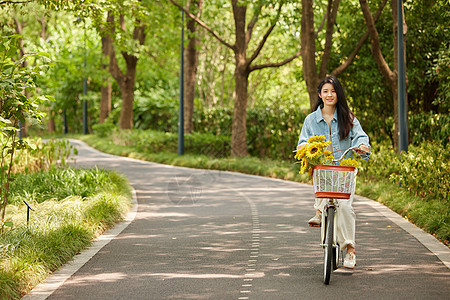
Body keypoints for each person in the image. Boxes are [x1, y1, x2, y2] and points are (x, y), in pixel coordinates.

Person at [297, 75, 370, 269]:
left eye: (333, 91)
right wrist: (304, 149)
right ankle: (320, 210)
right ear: (320, 95)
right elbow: (303, 141)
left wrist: (362, 146)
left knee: (345, 207)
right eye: (326, 91)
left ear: (338, 94)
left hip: (344, 171)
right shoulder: (311, 120)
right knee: (321, 184)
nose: (330, 95)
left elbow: (360, 136)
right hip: (323, 170)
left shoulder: (348, 117)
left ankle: (350, 250)